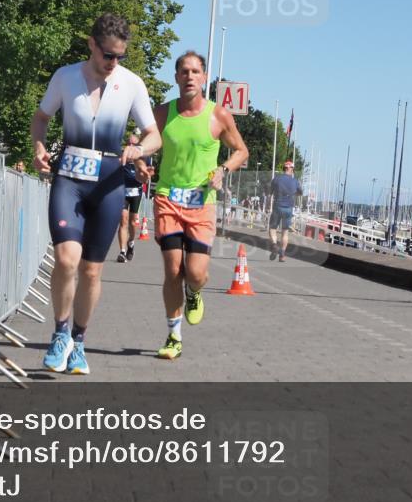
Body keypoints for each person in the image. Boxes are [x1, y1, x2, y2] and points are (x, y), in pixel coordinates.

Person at [31, 14, 161, 375]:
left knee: (90, 270)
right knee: (66, 259)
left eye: (120, 56)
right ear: (92, 45)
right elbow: (41, 117)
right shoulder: (65, 77)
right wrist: (38, 148)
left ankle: (80, 341)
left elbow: (154, 134)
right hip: (69, 179)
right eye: (108, 55)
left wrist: (138, 151)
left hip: (108, 184)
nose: (113, 63)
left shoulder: (132, 84)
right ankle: (60, 333)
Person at [137, 51, 248, 360]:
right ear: (176, 78)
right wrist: (140, 163)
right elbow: (141, 143)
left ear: (203, 78)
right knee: (173, 269)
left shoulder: (218, 116)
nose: (189, 76)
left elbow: (241, 151)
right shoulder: (161, 113)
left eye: (195, 71)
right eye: (183, 71)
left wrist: (222, 171)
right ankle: (173, 335)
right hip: (168, 199)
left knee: (195, 273)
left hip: (202, 204)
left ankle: (194, 292)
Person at [116, 133, 144, 263]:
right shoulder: (122, 157)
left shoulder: (142, 159)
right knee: (123, 220)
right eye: (129, 144)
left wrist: (145, 174)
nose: (131, 146)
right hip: (122, 192)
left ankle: (131, 243)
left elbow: (146, 178)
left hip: (136, 193)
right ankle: (122, 252)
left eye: (134, 144)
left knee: (133, 223)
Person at [268, 159, 302, 262]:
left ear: (284, 168)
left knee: (272, 228)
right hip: (288, 209)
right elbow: (300, 193)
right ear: (291, 169)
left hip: (277, 206)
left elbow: (271, 193)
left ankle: (274, 245)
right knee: (285, 232)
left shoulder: (276, 179)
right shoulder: (295, 181)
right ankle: (282, 255)